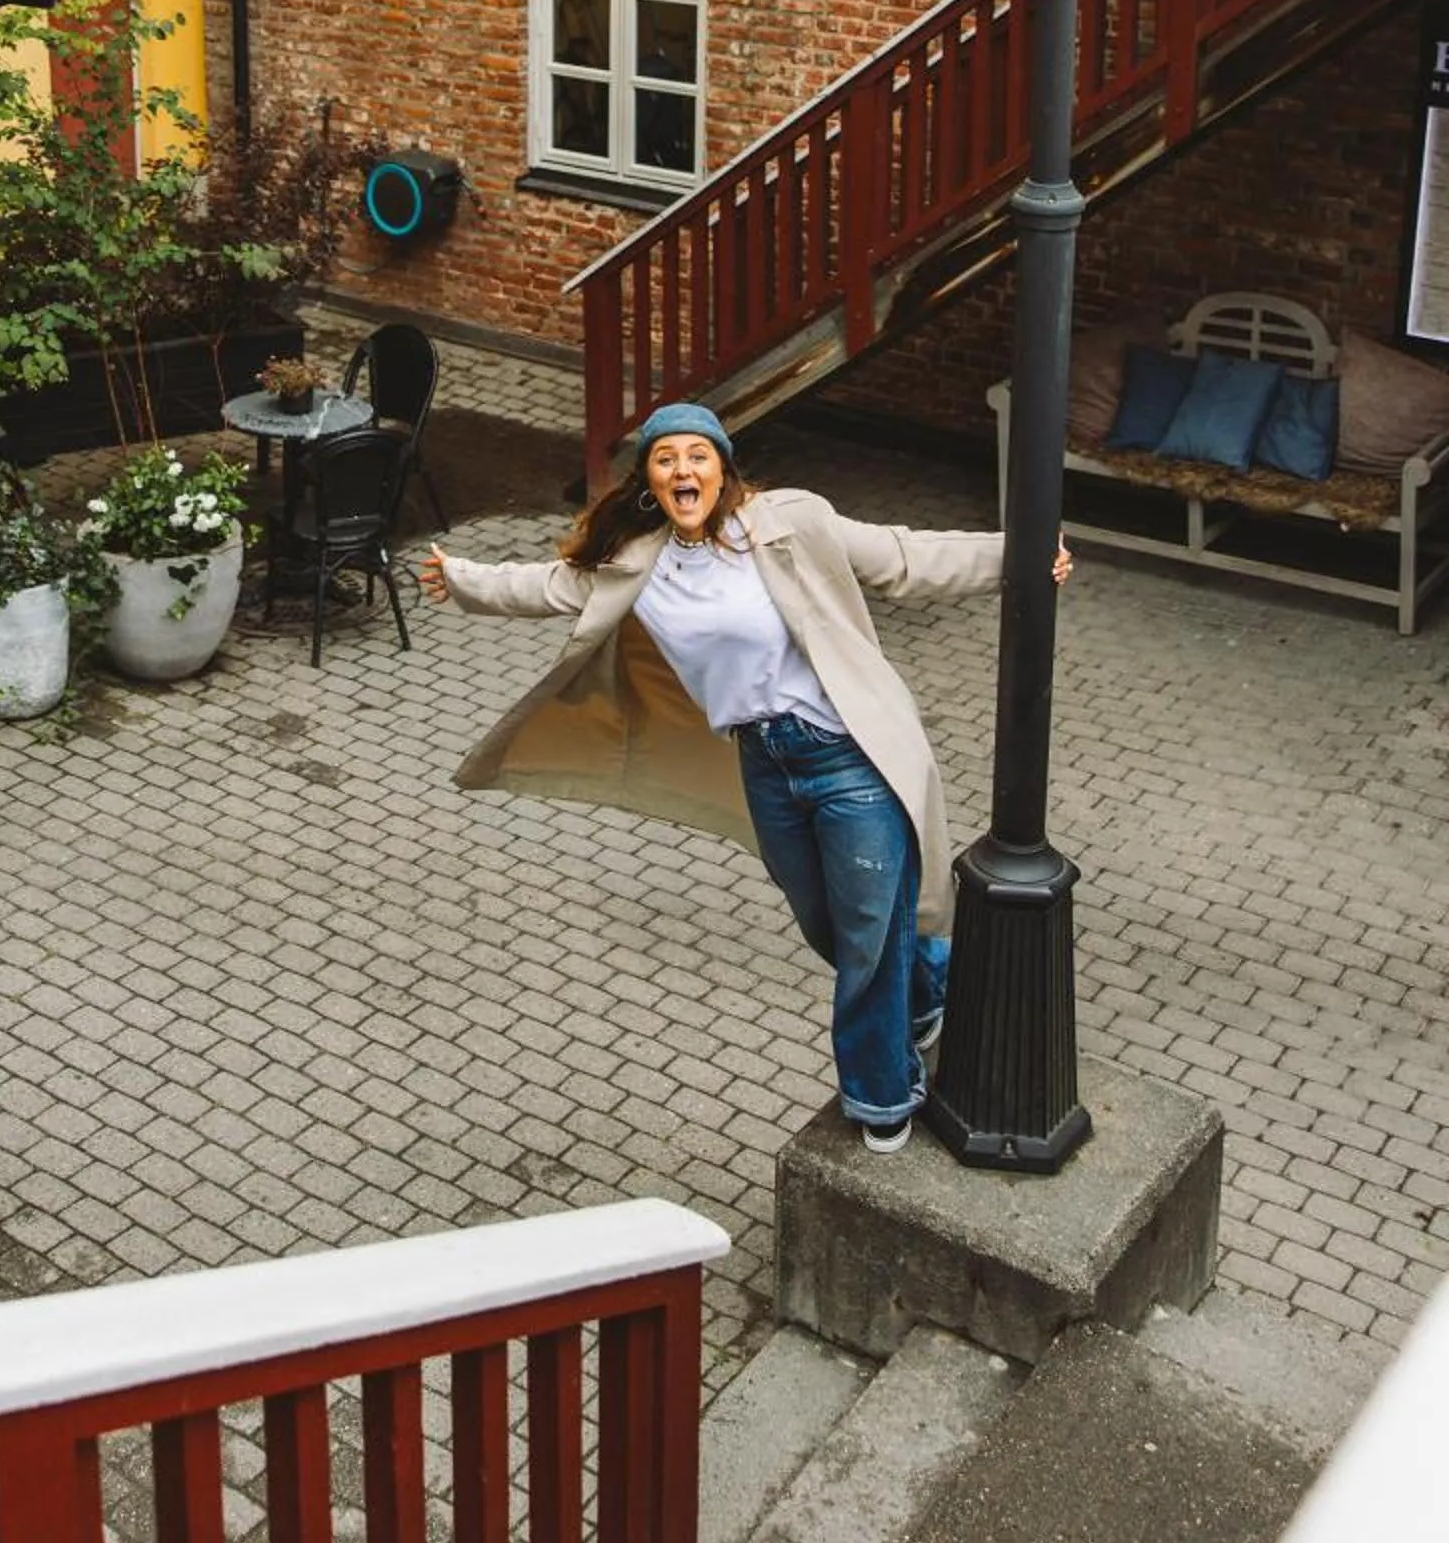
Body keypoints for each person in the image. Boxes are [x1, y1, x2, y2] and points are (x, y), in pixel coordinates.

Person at [419, 402, 1071, 1153]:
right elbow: (543, 586)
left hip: (848, 756)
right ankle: (930, 980)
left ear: (722, 468)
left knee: (864, 939)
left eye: (698, 456)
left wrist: (1019, 557)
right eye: (667, 460)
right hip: (767, 765)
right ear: (651, 481)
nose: (683, 471)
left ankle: (881, 1093)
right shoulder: (637, 559)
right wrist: (462, 579)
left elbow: (899, 556)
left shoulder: (789, 522)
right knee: (827, 923)